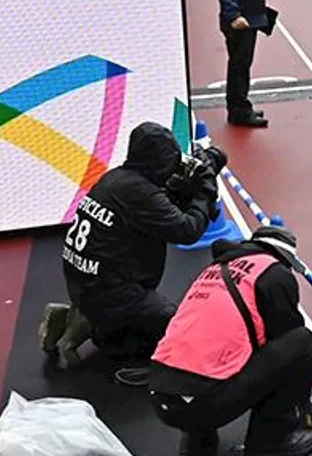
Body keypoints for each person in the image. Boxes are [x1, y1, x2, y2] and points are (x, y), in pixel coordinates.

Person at [46, 123, 225, 385]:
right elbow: (187, 230)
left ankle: (82, 316)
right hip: (111, 293)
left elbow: (159, 207)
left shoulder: (116, 179)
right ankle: (92, 327)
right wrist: (203, 191)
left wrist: (183, 189)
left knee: (125, 310)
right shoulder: (140, 193)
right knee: (173, 326)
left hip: (85, 284)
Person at [149, 225, 312, 456]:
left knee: (211, 354)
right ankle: (270, 442)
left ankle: (197, 444)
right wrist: (310, 371)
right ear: (281, 257)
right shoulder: (273, 273)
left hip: (161, 396)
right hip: (204, 402)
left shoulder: (212, 271)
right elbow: (288, 338)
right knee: (304, 342)